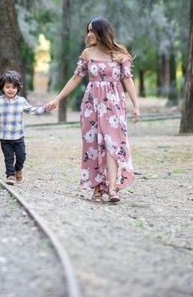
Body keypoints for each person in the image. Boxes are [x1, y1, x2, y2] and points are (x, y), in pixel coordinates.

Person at [46, 17, 139, 203]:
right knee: (94, 145)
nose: (88, 35)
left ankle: (113, 188)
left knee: (113, 144)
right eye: (87, 31)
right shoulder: (87, 54)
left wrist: (136, 106)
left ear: (102, 32)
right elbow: (75, 79)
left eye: (92, 31)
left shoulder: (120, 54)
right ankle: (97, 188)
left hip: (114, 104)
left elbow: (127, 80)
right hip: (92, 105)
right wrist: (57, 99)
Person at [0, 71, 50, 185]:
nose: (10, 90)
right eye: (7, 87)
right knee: (8, 158)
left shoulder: (21, 101)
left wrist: (45, 109)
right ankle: (10, 175)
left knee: (21, 156)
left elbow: (32, 110)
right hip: (4, 136)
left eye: (14, 87)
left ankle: (18, 169)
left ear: (18, 88)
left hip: (18, 135)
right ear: (2, 87)